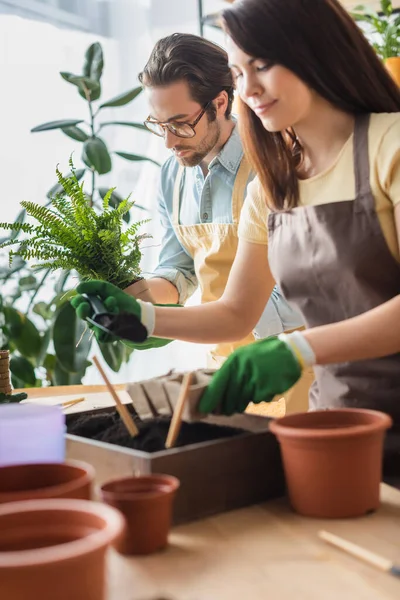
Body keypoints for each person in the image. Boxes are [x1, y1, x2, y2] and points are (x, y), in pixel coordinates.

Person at [72, 0, 400, 431]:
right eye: (241, 73)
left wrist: (296, 349)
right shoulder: (275, 182)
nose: (250, 90)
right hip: (337, 423)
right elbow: (235, 313)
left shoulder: (389, 146)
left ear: (315, 50)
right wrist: (144, 316)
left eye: (262, 65)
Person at [127, 32, 304, 373]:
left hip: (292, 364)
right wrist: (137, 299)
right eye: (159, 124)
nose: (168, 141)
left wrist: (164, 321)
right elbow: (180, 271)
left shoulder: (275, 165)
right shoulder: (171, 176)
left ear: (220, 103)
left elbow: (310, 288)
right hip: (222, 365)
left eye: (179, 124)